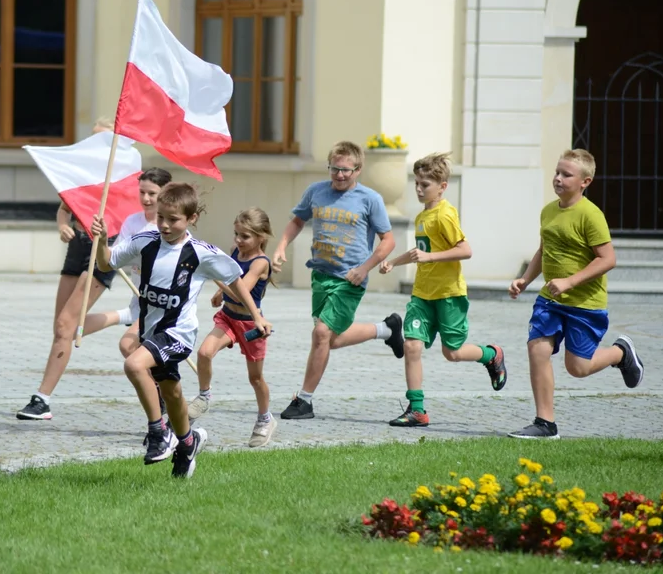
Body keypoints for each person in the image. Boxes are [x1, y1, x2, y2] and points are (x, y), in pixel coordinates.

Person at [92, 183, 272, 478]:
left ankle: (158, 433)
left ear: (191, 219)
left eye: (173, 219)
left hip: (179, 334)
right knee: (173, 394)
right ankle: (188, 443)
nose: (164, 224)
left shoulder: (201, 253)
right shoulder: (144, 242)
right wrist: (100, 241)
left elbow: (236, 278)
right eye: (161, 217)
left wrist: (257, 316)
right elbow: (106, 261)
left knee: (134, 364)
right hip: (151, 332)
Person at [507, 149, 645, 439]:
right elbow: (544, 250)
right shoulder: (548, 211)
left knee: (578, 368)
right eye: (557, 172)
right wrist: (525, 279)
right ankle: (545, 423)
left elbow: (607, 259)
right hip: (550, 300)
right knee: (538, 348)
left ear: (585, 181)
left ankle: (620, 353)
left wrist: (570, 282)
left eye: (566, 174)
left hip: (585, 304)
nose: (558, 178)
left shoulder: (591, 215)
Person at [272, 140, 404, 420]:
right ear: (328, 167)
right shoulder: (316, 192)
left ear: (358, 169)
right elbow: (297, 221)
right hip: (321, 275)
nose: (340, 175)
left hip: (350, 279)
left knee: (321, 334)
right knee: (329, 340)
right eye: (335, 169)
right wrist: (282, 246)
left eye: (347, 170)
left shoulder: (371, 199)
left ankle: (304, 401)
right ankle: (387, 329)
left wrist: (365, 268)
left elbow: (388, 240)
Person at [378, 152, 507, 427]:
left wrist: (430, 258)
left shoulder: (446, 214)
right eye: (416, 183)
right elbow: (421, 252)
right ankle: (417, 410)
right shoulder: (422, 216)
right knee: (412, 346)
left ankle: (491, 354)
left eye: (425, 184)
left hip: (449, 294)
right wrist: (394, 262)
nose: (419, 188)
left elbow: (465, 250)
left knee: (453, 353)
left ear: (442, 186)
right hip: (422, 294)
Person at [16, 119, 120, 421]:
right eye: (93, 140)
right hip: (77, 249)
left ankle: (42, 399)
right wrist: (63, 226)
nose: (96, 147)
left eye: (104, 140)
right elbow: (64, 208)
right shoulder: (82, 173)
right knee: (61, 327)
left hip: (103, 252)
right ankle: (122, 316)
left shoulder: (123, 178)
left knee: (65, 325)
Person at [187, 207, 277, 447]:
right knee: (204, 353)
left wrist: (214, 278)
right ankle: (204, 396)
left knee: (255, 378)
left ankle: (265, 419)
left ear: (261, 237)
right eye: (236, 233)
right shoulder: (236, 252)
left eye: (245, 236)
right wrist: (219, 293)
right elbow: (230, 275)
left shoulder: (260, 263)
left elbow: (240, 292)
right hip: (228, 318)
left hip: (251, 324)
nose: (238, 240)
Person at [81, 167, 172, 359]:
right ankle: (154, 387)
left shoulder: (170, 226)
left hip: (164, 301)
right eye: (142, 192)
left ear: (165, 193)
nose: (145, 198)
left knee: (130, 348)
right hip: (140, 299)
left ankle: (155, 387)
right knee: (137, 353)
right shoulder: (132, 221)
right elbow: (115, 258)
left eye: (152, 194)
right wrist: (102, 241)